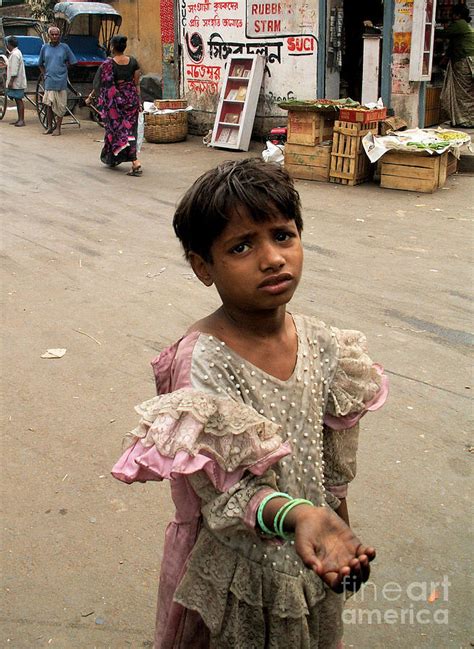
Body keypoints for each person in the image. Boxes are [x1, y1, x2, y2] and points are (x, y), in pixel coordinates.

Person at [112, 159, 389, 649]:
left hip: (307, 556)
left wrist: (335, 530)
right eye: (241, 246)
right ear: (203, 267)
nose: (272, 259)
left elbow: (332, 465)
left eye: (282, 236)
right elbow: (226, 498)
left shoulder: (324, 343)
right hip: (239, 567)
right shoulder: (203, 362)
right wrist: (298, 516)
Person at [86, 35, 142, 176]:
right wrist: (139, 101)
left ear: (112, 47)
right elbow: (136, 84)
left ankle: (135, 161)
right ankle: (113, 158)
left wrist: (91, 97)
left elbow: (101, 85)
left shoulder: (107, 65)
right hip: (131, 101)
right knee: (130, 132)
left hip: (115, 104)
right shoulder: (133, 62)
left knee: (118, 131)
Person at [38, 26, 77, 136]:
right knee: (48, 105)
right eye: (53, 34)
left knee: (60, 106)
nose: (55, 36)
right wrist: (45, 74)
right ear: (49, 35)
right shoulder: (44, 48)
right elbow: (40, 63)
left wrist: (64, 69)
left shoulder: (65, 47)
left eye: (57, 34)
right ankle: (49, 127)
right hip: (49, 80)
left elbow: (73, 61)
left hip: (61, 81)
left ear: (59, 36)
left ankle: (58, 128)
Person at [440, 4, 474, 128]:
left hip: (464, 61)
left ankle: (466, 121)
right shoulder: (466, 26)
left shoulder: (459, 24)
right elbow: (453, 45)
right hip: (468, 60)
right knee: (467, 92)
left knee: (462, 93)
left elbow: (443, 33)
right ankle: (465, 119)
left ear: (458, 15)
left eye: (453, 15)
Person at [5, 36, 27, 127]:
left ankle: (21, 120)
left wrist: (10, 82)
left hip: (16, 82)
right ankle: (19, 119)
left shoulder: (14, 54)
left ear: (9, 44)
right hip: (17, 81)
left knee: (19, 100)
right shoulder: (16, 52)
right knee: (18, 100)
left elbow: (14, 70)